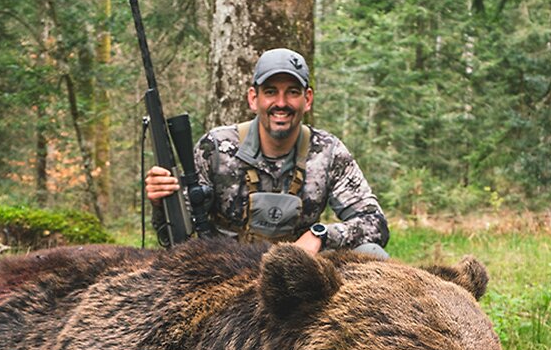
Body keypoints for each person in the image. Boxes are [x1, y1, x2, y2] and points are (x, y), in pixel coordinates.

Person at [145, 48, 389, 257]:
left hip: (300, 277)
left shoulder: (327, 151)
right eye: (270, 91)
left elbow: (375, 224)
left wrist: (320, 236)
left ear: (308, 99)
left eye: (292, 92)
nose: (281, 103)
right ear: (254, 98)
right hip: (223, 277)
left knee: (372, 254)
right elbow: (173, 238)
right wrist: (161, 202)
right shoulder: (216, 149)